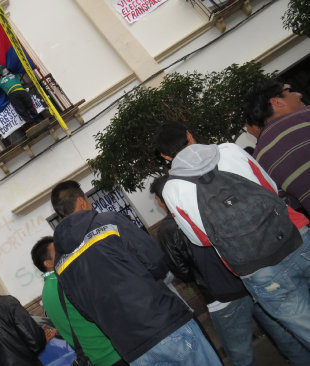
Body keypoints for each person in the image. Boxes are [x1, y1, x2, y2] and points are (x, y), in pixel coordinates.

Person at [156, 122, 310, 348]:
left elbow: (201, 239)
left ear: (165, 156)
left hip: (256, 268)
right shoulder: (229, 150)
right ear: (189, 134)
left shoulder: (171, 188)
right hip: (295, 235)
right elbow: (271, 188)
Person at [50, 180, 221, 365]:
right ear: (82, 201)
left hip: (132, 349)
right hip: (164, 322)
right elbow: (157, 262)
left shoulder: (60, 263)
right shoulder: (109, 222)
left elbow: (85, 311)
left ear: (60, 215)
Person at [150, 175, 310, 366]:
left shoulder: (167, 229)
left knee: (240, 355)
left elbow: (181, 270)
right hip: (250, 278)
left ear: (162, 199)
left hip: (222, 297)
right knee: (285, 335)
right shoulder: (205, 206)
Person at [31, 236, 127, 366]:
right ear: (48, 263)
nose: (64, 252)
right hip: (113, 352)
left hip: (95, 358)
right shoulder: (66, 280)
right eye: (57, 251)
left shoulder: (46, 292)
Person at [244, 78, 310, 216]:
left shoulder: (260, 159)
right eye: (290, 90)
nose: (299, 95)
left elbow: (289, 206)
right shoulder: (306, 115)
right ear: (276, 102)